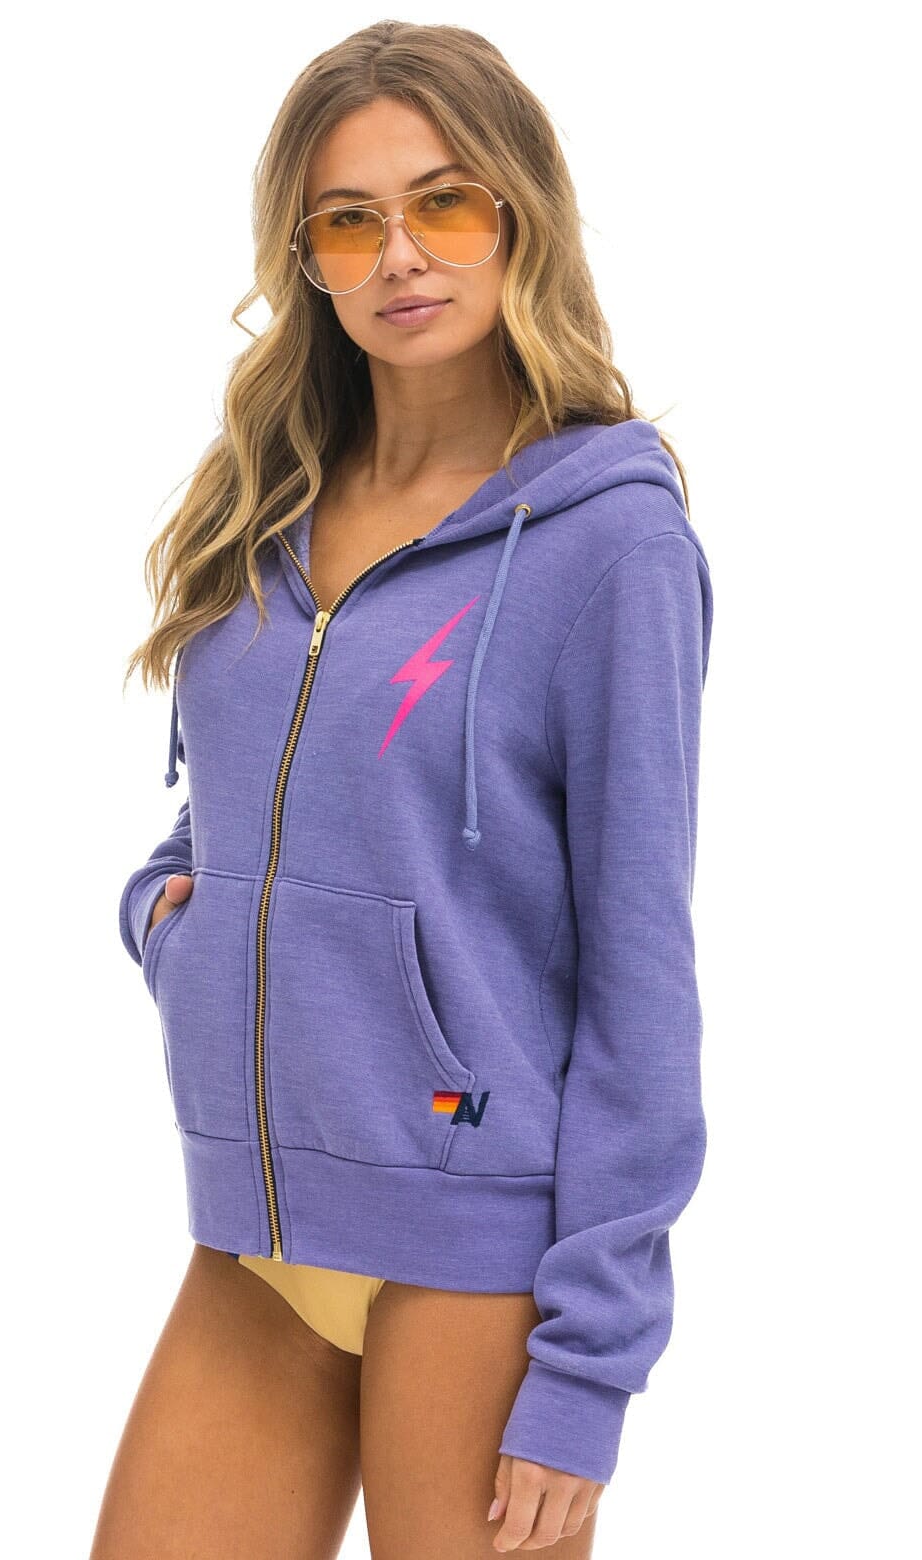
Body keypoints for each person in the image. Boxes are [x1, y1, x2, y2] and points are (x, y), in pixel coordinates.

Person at [91, 20, 713, 1560]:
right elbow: (238, 811)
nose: (401, 257)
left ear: (520, 211)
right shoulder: (267, 510)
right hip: (255, 1234)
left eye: (444, 203)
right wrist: (168, 920)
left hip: (474, 1246)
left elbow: (641, 970)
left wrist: (588, 1369)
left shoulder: (611, 545)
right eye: (350, 221)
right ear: (306, 259)